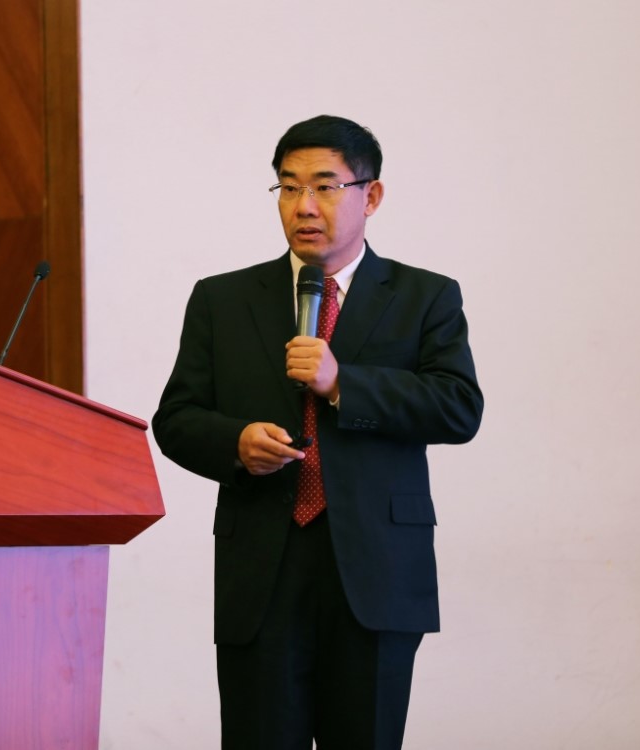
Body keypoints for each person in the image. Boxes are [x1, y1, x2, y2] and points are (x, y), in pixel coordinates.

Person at [153, 114, 484, 749]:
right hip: (262, 569)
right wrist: (235, 443)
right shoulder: (222, 299)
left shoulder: (425, 296)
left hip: (377, 570)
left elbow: (458, 407)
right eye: (288, 187)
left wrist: (342, 384)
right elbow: (177, 418)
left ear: (371, 195)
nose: (304, 206)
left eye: (325, 187)